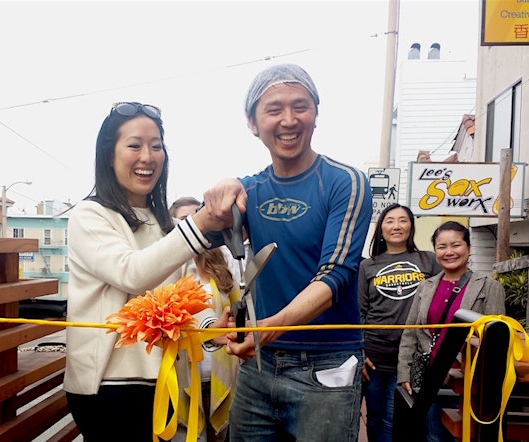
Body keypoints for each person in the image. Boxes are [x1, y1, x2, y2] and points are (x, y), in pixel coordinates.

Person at [202, 63, 373, 441]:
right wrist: (217, 193)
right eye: (274, 109)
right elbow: (197, 236)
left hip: (326, 366)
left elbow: (337, 274)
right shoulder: (249, 190)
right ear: (252, 122)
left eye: (301, 106)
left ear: (316, 114)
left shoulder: (346, 182)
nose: (289, 120)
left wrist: (267, 330)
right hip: (258, 367)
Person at [64, 102, 232, 442]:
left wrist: (212, 330)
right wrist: (198, 222)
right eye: (135, 145)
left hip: (165, 380)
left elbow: (184, 300)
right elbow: (132, 273)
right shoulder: (89, 215)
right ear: (108, 155)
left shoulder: (164, 224)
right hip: (108, 386)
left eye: (156, 146)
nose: (148, 156)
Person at [397, 221, 506, 442]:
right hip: (432, 380)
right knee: (433, 437)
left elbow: (497, 342)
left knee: (465, 437)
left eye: (455, 245)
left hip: (470, 383)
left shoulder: (488, 286)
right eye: (441, 246)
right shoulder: (425, 287)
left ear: (468, 248)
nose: (449, 252)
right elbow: (410, 333)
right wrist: (403, 374)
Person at [358, 204, 441, 442]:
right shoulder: (368, 265)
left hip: (411, 356)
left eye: (403, 220)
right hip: (373, 357)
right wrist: (360, 351)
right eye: (390, 221)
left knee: (392, 417)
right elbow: (360, 311)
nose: (396, 226)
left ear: (411, 226)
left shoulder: (429, 260)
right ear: (380, 229)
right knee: (373, 415)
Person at [170, 196, 241, 442]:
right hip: (183, 374)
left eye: (195, 218)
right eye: (183, 220)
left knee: (220, 435)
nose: (191, 226)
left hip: (221, 370)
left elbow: (236, 309)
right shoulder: (167, 268)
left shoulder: (222, 263)